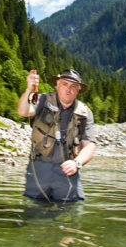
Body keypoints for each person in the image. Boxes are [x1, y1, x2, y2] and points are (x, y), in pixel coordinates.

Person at [17, 68, 96, 202]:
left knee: (72, 213)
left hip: (68, 170)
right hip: (39, 169)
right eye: (64, 84)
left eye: (73, 86)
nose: (68, 89)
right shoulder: (41, 99)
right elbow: (23, 111)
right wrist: (29, 89)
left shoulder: (84, 112)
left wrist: (77, 163)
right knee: (34, 213)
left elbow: (89, 146)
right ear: (57, 85)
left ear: (78, 91)